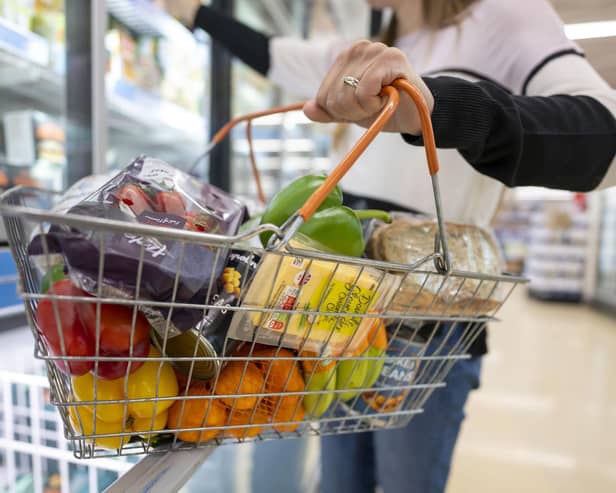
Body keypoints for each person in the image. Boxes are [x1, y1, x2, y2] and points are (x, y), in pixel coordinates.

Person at [168, 1, 616, 492]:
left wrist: (436, 107)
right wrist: (198, 14)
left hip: (428, 313)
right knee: (339, 482)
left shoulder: (505, 17)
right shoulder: (369, 45)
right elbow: (276, 54)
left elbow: (603, 133)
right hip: (343, 307)